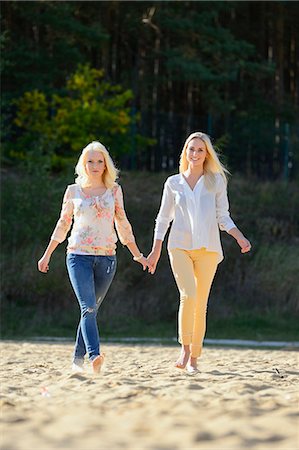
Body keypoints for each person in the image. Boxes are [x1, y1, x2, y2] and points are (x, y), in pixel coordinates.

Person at [38, 141, 148, 374]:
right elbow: (63, 224)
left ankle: (77, 361)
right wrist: (47, 254)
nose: (95, 165)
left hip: (107, 258)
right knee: (88, 307)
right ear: (83, 164)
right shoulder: (73, 191)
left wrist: (137, 254)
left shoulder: (114, 191)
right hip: (78, 257)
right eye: (90, 161)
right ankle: (95, 355)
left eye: (100, 161)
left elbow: (122, 223)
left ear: (106, 165)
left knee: (90, 310)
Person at [147, 132, 251, 374]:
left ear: (207, 154)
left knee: (200, 303)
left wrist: (239, 236)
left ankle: (194, 358)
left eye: (200, 150)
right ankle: (184, 348)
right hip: (179, 246)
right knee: (188, 295)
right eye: (191, 149)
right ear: (185, 152)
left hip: (209, 249)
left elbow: (222, 216)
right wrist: (155, 250)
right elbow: (163, 218)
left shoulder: (216, 181)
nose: (195, 154)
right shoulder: (173, 183)